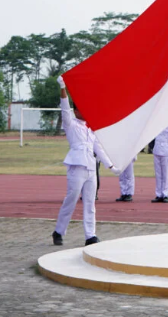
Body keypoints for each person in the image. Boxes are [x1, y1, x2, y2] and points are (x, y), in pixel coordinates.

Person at [52, 76, 121, 246]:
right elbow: (64, 108)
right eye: (82, 109)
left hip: (91, 167)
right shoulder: (71, 124)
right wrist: (63, 88)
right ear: (76, 111)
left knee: (90, 202)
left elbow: (98, 148)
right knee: (72, 199)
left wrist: (111, 166)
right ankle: (59, 231)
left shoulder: (90, 129)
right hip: (77, 166)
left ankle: (90, 235)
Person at [151, 123, 168, 203]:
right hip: (157, 150)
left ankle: (165, 194)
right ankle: (159, 194)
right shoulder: (157, 123)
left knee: (165, 175)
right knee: (158, 175)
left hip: (165, 151)